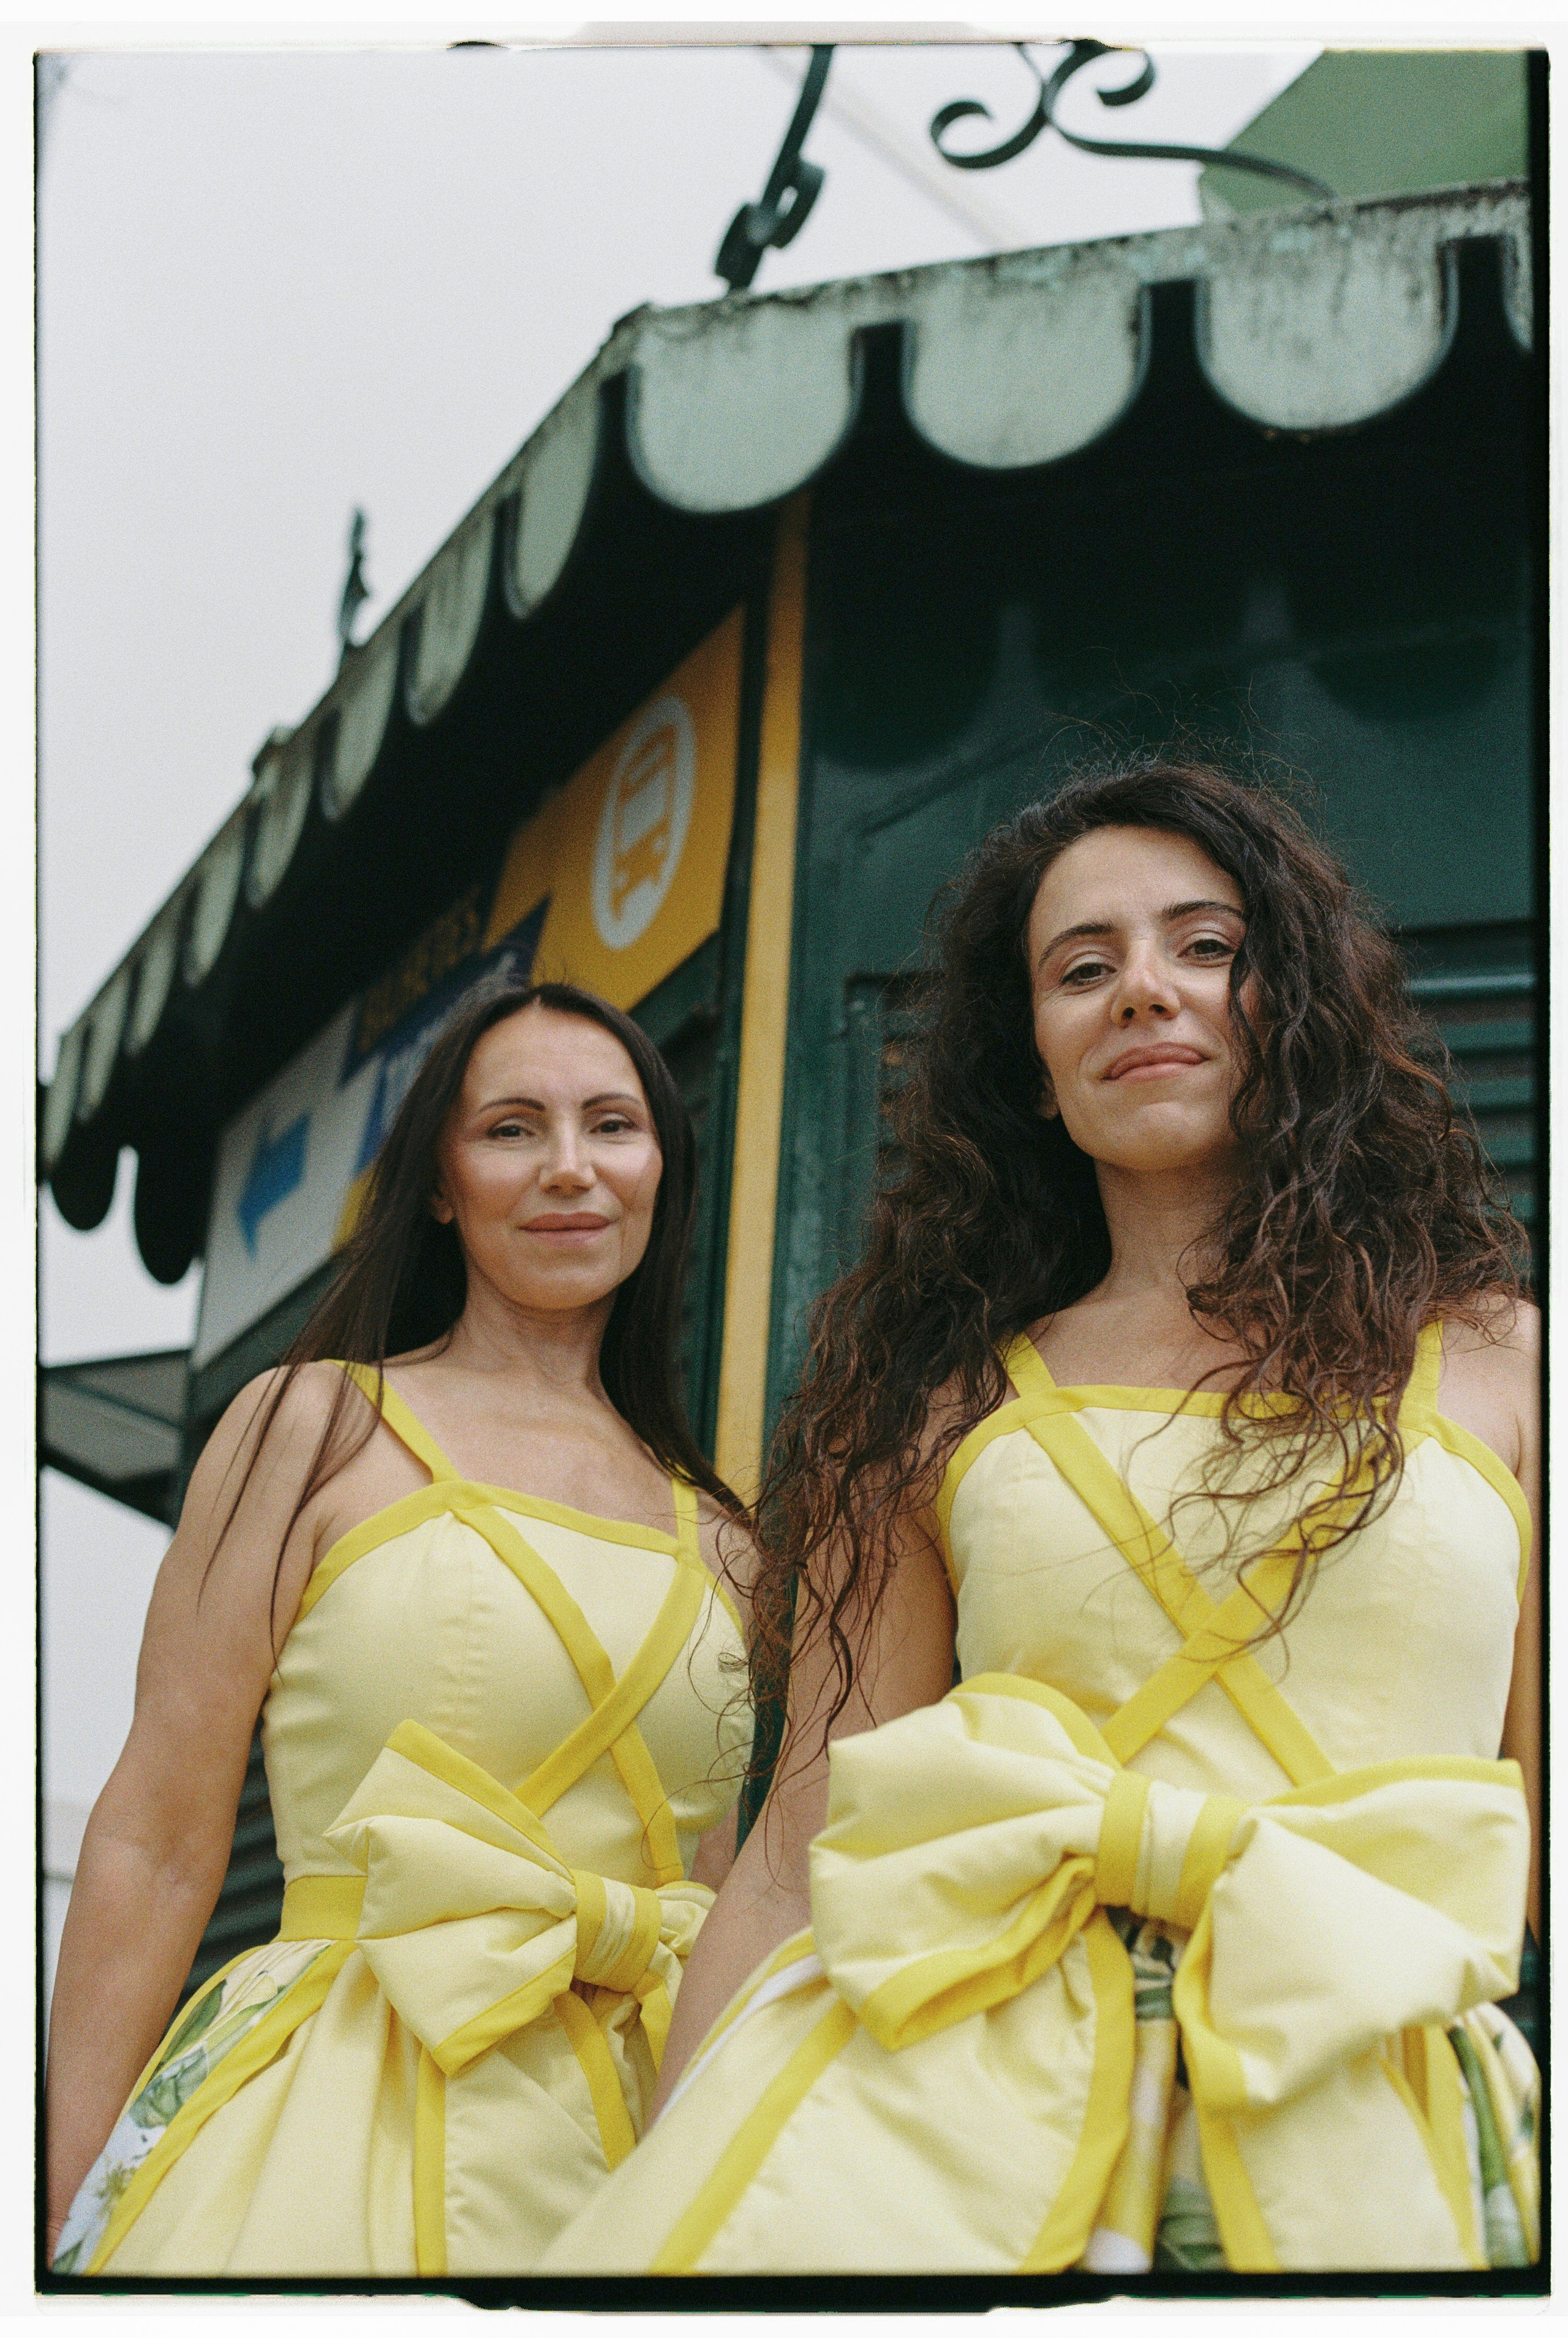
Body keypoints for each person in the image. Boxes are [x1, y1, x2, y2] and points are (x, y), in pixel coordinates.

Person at [541, 762, 1540, 2277]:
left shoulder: (1510, 1366)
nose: (1141, 989)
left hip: (1383, 2133)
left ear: (1299, 1001)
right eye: (1081, 969)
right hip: (944, 2142)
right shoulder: (932, 1403)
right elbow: (794, 1848)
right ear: (1030, 1066)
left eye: (1204, 945)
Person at [48, 979, 752, 2277]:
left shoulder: (725, 1535)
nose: (569, 1167)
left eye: (612, 1124)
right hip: (332, 2106)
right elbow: (155, 1832)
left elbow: (715, 1892)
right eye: (510, 1128)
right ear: (438, 1182)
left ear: (662, 1169)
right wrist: (60, 2192)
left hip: (645, 2145)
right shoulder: (312, 1425)